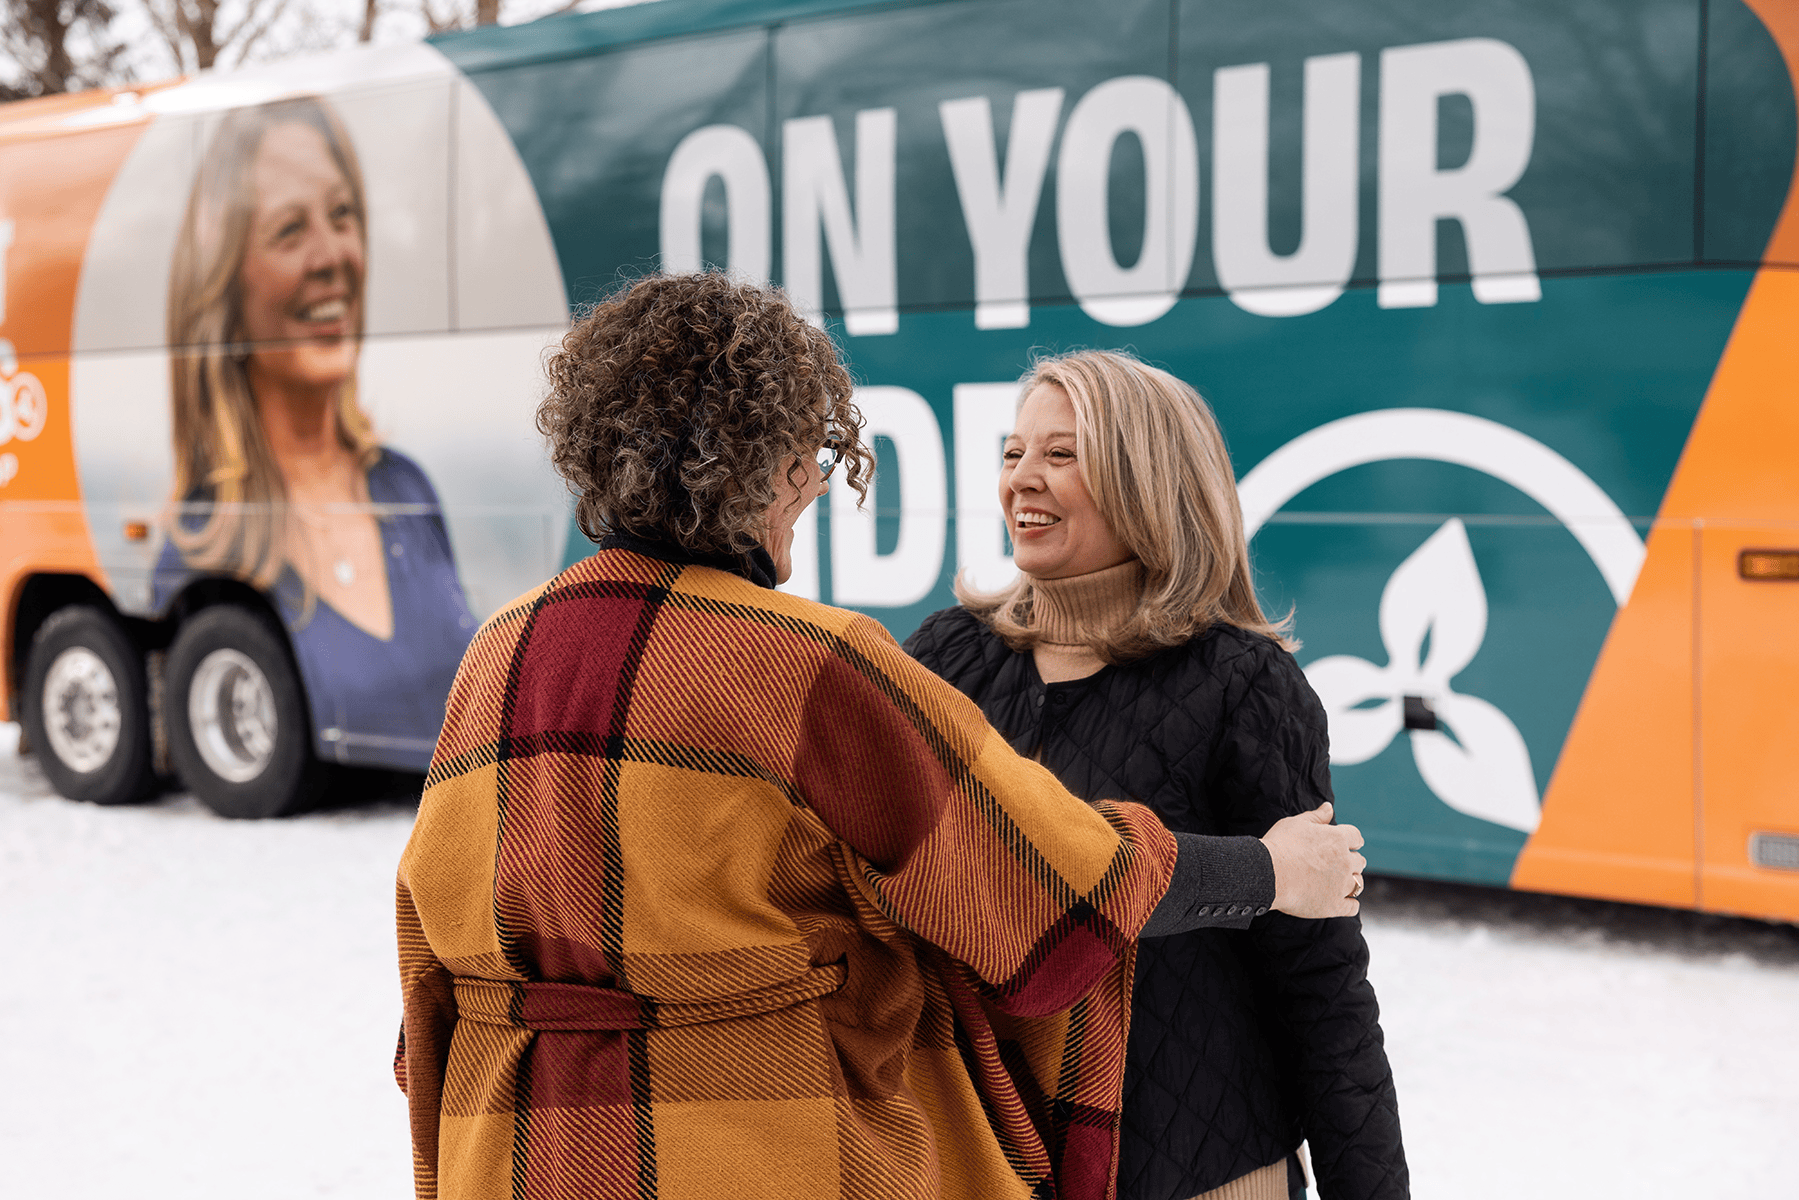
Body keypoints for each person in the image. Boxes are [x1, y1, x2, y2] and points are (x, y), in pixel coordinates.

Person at [394, 274, 1366, 1200]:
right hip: (752, 1142)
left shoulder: (501, 650)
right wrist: (1266, 874)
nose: (811, 493)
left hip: (519, 1146)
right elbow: (1042, 883)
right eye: (805, 463)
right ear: (762, 468)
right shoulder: (808, 663)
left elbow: (426, 939)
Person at [905, 350, 1408, 1200]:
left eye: (1060, 455)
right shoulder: (946, 657)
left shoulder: (1241, 683)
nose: (1022, 479)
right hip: (984, 1161)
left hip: (1199, 1165)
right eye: (1012, 452)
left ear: (1146, 480)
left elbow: (1317, 979)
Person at [158, 95, 475, 751]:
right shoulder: (201, 539)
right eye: (289, 231)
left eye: (342, 216)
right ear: (227, 287)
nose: (332, 256)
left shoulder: (405, 486)